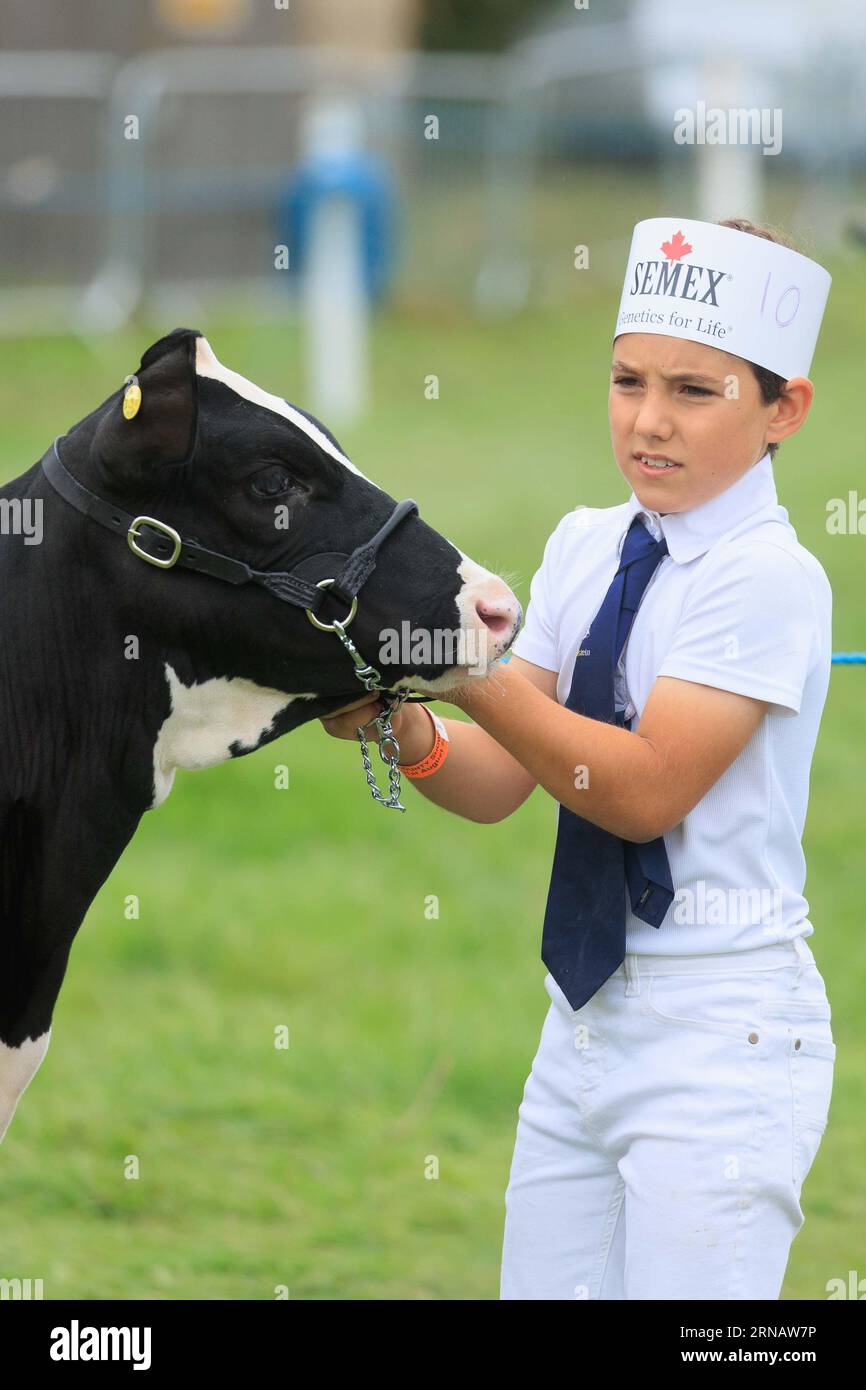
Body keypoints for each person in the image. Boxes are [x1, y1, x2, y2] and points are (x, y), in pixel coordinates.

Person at [320, 215, 836, 1300]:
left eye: (694, 391)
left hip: (720, 1035)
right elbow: (506, 778)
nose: (647, 421)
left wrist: (460, 665)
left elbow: (641, 790)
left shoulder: (766, 577)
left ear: (782, 404)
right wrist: (396, 723)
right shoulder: (583, 542)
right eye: (625, 380)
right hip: (583, 1025)